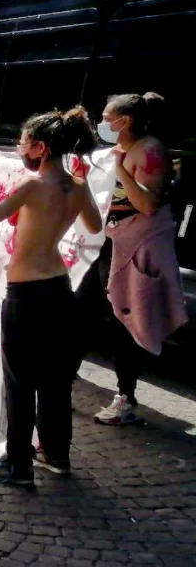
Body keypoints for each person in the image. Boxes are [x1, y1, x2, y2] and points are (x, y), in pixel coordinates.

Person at [0, 108, 102, 485]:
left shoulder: (32, 186)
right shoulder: (75, 187)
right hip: (60, 289)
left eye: (24, 142)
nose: (19, 148)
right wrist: (84, 182)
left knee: (20, 380)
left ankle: (18, 463)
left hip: (26, 293)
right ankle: (56, 454)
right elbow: (94, 226)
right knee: (57, 378)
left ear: (41, 149)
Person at [81, 93, 186, 426]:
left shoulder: (149, 151)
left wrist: (119, 170)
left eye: (107, 117)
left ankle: (126, 398)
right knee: (85, 309)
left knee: (125, 320)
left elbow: (148, 204)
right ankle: (62, 376)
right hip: (110, 241)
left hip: (134, 247)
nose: (103, 123)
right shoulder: (119, 150)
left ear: (124, 121)